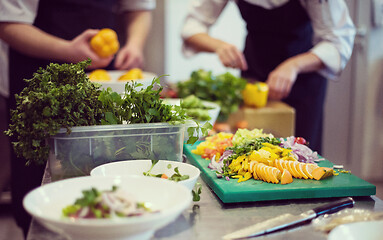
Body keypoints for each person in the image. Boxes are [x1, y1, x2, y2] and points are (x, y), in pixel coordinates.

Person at [0, 0, 155, 237]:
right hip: (39, 76)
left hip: (102, 74)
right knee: (38, 184)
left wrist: (134, 45)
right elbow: (8, 23)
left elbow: (139, 7)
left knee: (105, 165)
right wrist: (67, 51)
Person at [181, 0, 356, 154]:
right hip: (253, 73)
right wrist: (218, 46)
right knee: (249, 152)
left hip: (303, 81)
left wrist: (293, 65)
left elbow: (338, 42)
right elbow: (191, 26)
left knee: (302, 157)